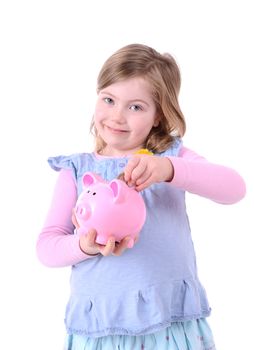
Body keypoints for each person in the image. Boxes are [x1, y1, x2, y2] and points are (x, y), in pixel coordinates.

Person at [36, 43, 246, 350]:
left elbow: (235, 189)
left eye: (135, 107)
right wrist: (84, 245)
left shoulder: (171, 159)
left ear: (159, 115)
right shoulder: (78, 169)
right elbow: (47, 246)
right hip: (101, 330)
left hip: (169, 323)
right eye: (109, 100)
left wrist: (169, 169)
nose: (117, 117)